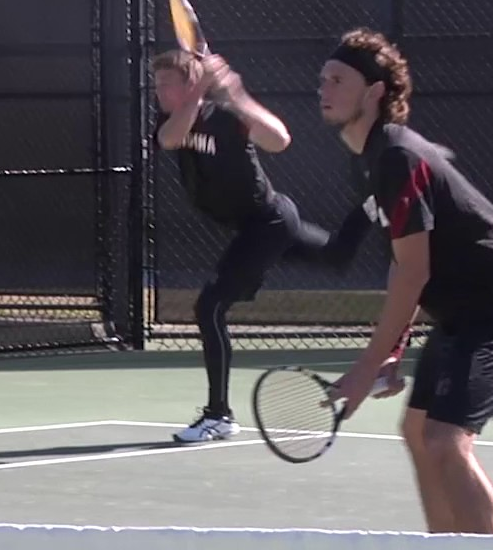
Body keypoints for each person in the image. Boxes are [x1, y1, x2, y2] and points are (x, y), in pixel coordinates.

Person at [316, 28, 493, 535]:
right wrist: (395, 347)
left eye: (338, 79)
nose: (324, 88)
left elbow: (413, 270)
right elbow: (406, 266)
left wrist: (365, 368)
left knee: (445, 438)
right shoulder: (367, 162)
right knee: (418, 432)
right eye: (323, 80)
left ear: (374, 91)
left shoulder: (397, 156)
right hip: (456, 307)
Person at [151, 49, 394, 444]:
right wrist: (195, 92)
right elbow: (170, 139)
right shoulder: (170, 117)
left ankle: (219, 415)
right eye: (156, 84)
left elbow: (279, 139)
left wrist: (234, 93)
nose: (158, 91)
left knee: (209, 305)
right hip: (256, 225)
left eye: (166, 84)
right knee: (336, 256)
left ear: (188, 84)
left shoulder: (227, 117)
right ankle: (374, 201)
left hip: (268, 222)